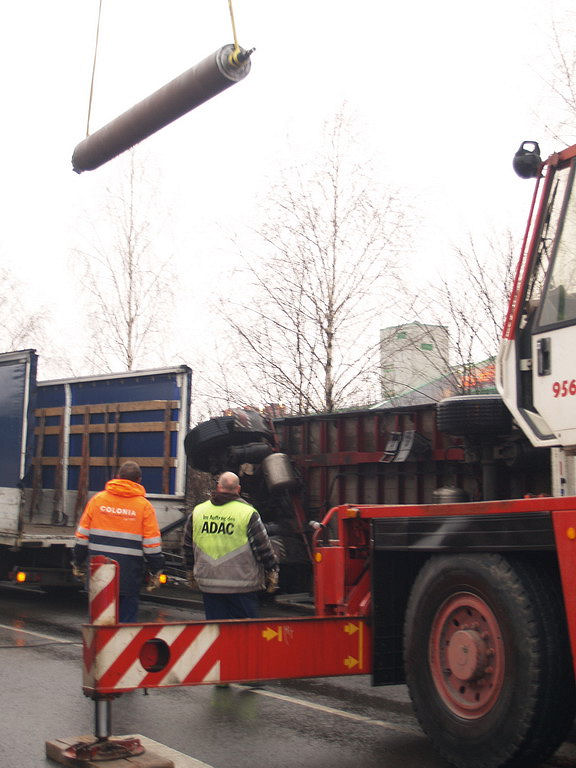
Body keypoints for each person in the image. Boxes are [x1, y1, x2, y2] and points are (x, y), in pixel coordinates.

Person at [72, 460, 165, 622]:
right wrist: (156, 571)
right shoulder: (144, 507)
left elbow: (82, 538)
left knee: (99, 624)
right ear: (139, 480)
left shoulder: (97, 500)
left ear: (117, 477)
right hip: (128, 575)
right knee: (125, 628)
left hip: (99, 571)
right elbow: (152, 546)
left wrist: (78, 563)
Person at [183, 471, 279, 620]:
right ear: (238, 489)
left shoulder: (199, 511)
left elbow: (188, 545)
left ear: (218, 487)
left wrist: (190, 571)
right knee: (244, 634)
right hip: (242, 586)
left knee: (216, 631)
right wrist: (271, 570)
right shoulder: (248, 513)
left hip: (209, 584)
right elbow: (262, 547)